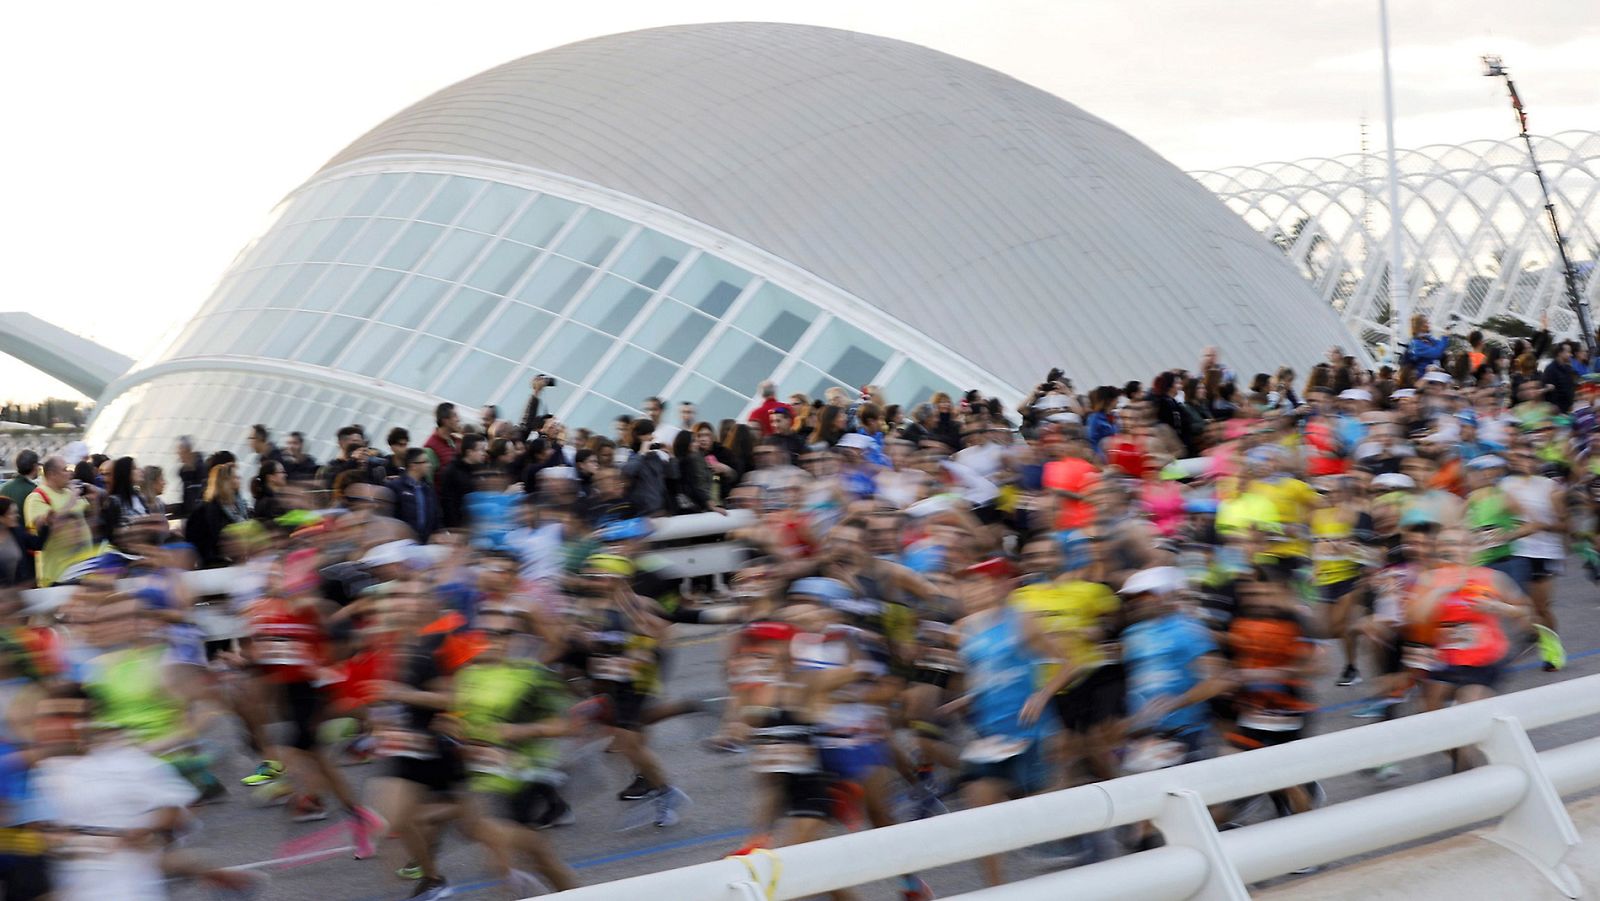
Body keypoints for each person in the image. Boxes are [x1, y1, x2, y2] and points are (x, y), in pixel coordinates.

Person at [23, 455, 97, 586]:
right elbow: (47, 526)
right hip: (59, 574)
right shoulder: (37, 497)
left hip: (83, 566)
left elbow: (90, 517)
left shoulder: (69, 492)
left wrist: (94, 499)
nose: (69, 473)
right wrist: (72, 499)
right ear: (52, 474)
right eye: (65, 469)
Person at [183, 463, 247, 568]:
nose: (239, 480)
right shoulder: (208, 510)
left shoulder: (238, 505)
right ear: (225, 481)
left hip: (237, 562)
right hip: (218, 564)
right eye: (235, 477)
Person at [390, 448, 441, 540]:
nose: (429, 465)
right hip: (402, 542)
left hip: (425, 542)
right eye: (425, 462)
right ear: (413, 466)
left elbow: (436, 516)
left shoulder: (428, 489)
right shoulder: (396, 487)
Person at [438, 433, 486, 531]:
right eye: (481, 450)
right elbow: (448, 504)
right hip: (462, 526)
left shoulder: (481, 469)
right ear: (469, 452)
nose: (484, 453)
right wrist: (456, 529)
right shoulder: (451, 472)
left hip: (479, 524)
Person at [423, 402, 462, 479]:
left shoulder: (456, 441)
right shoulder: (430, 448)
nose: (459, 419)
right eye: (455, 416)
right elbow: (428, 481)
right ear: (445, 421)